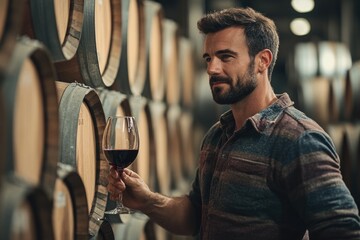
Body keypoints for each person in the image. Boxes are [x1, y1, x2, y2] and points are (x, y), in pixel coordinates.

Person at [107, 7, 360, 239]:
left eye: (225, 57)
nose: (212, 69)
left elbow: (342, 230)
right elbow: (195, 216)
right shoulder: (218, 135)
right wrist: (147, 201)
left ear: (263, 61)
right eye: (208, 58)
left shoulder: (299, 139)